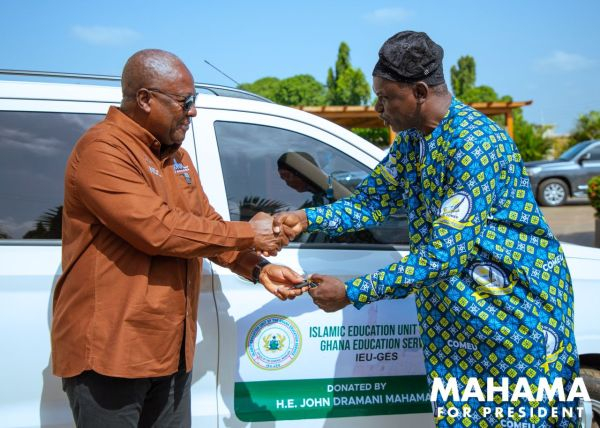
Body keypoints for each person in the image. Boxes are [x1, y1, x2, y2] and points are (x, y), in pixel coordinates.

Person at [277, 32, 580, 427]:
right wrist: (306, 219)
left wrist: (352, 292)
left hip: (511, 318)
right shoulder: (412, 143)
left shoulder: (474, 143)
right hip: (456, 324)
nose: (378, 107)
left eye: (386, 97)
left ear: (419, 91)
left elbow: (445, 254)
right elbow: (373, 202)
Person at [52, 49, 304, 427]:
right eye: (186, 101)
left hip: (170, 353)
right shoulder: (102, 149)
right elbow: (159, 230)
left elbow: (205, 226)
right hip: (112, 355)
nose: (193, 111)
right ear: (145, 99)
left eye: (194, 100)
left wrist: (258, 269)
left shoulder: (178, 160)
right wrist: (251, 233)